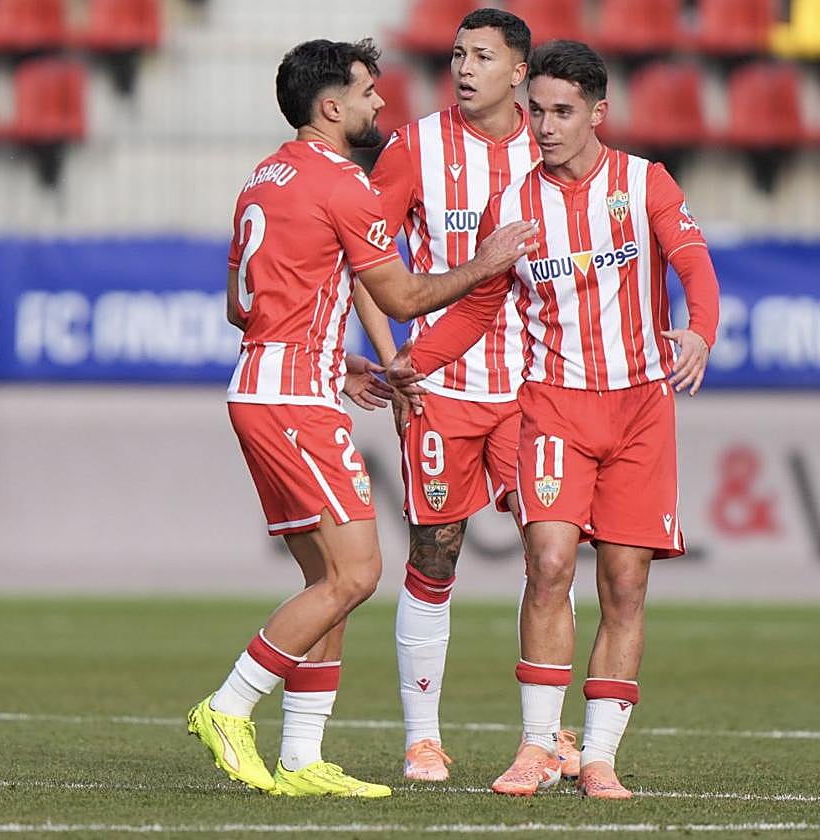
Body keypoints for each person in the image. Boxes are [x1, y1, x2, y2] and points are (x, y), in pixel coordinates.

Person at [186, 37, 537, 799]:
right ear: (332, 106)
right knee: (358, 573)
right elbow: (405, 297)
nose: (382, 104)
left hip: (273, 384)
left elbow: (242, 305)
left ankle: (302, 755)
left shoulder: (264, 176)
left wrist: (334, 357)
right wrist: (489, 260)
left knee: (327, 581)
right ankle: (228, 706)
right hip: (292, 404)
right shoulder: (345, 184)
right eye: (369, 92)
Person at [389, 39, 720, 799]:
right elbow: (478, 306)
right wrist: (419, 358)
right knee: (547, 563)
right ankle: (538, 745)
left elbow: (695, 263)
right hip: (553, 410)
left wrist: (699, 328)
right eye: (535, 109)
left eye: (562, 112)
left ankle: (597, 755)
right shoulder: (513, 208)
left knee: (626, 584)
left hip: (640, 410)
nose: (544, 125)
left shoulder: (644, 184)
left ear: (598, 113)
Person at [358, 7, 579, 784]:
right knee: (434, 553)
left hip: (538, 386)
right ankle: (423, 738)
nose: (463, 67)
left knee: (551, 556)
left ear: (520, 71)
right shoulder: (415, 145)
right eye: (457, 54)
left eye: (482, 56)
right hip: (443, 388)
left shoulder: (552, 144)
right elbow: (366, 259)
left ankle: (546, 738)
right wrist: (391, 362)